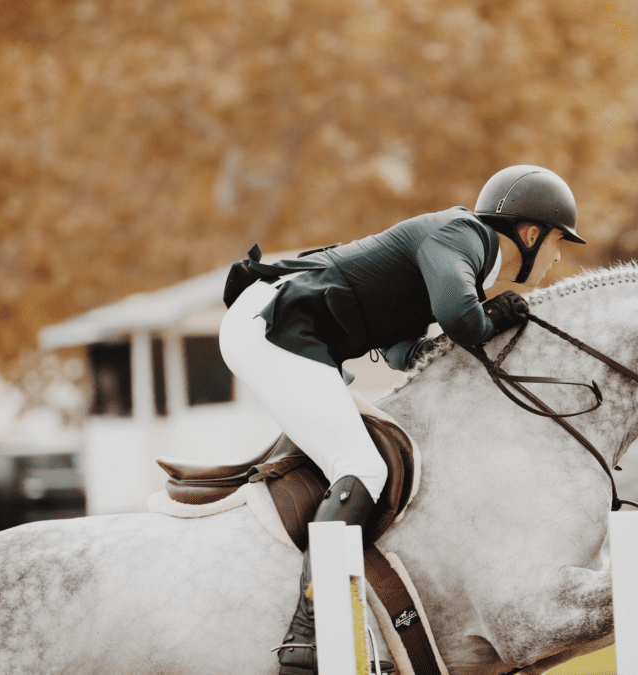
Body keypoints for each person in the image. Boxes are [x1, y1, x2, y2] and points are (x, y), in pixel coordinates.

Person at [217, 165, 584, 675]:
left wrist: (447, 339)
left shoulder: (460, 252)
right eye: (559, 241)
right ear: (530, 234)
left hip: (284, 326)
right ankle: (309, 631)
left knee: (371, 459)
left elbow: (400, 352)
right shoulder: (462, 237)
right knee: (364, 468)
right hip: (274, 326)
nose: (559, 255)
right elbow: (463, 320)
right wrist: (500, 312)